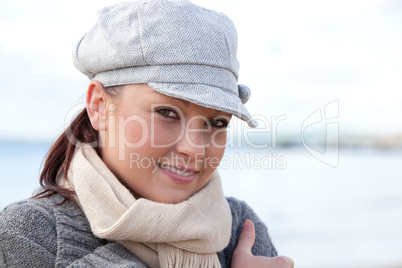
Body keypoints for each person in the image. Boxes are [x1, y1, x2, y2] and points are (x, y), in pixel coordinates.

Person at [0, 0, 294, 267]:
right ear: (99, 106)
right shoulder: (29, 234)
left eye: (217, 122)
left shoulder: (240, 228)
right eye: (167, 113)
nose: (195, 149)